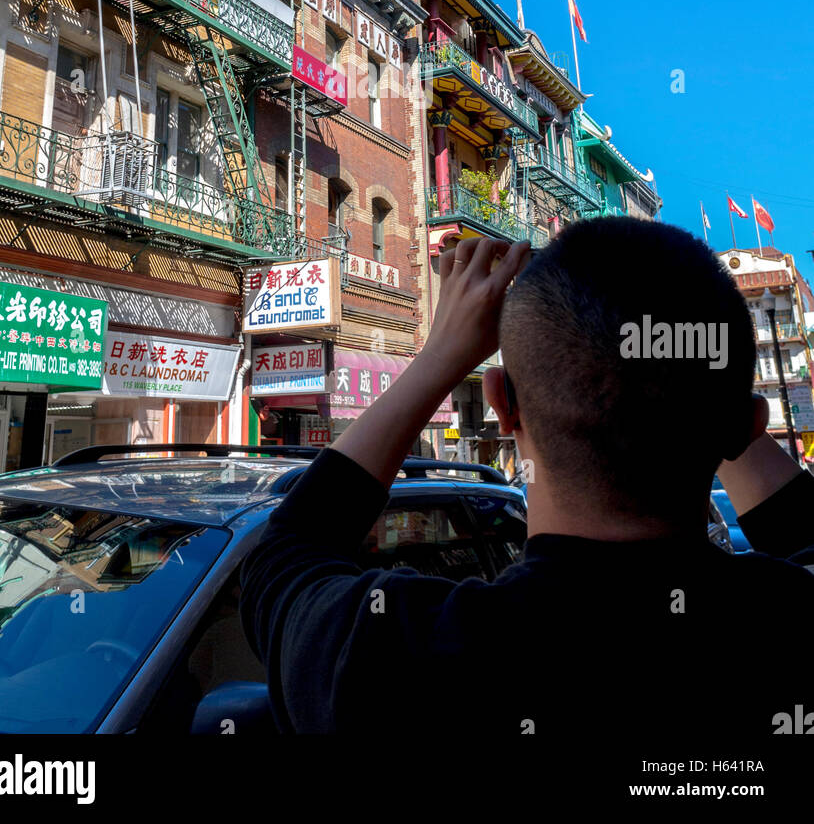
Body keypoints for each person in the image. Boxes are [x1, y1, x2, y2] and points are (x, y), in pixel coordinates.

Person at [239, 219, 814, 748]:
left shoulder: (412, 664)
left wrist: (440, 354)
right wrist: (700, 390)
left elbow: (284, 559)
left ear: (500, 404)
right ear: (746, 427)